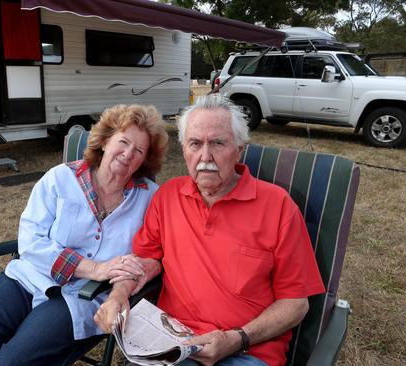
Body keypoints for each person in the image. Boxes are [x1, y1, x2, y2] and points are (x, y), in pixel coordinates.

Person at [95, 95, 325, 366]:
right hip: (175, 343)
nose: (205, 157)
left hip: (247, 351)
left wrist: (237, 338)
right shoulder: (167, 196)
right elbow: (146, 261)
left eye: (217, 143)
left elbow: (296, 304)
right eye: (195, 144)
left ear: (239, 149)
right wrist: (119, 295)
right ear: (184, 151)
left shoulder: (278, 207)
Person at [0, 104, 169, 365]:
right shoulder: (60, 179)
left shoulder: (150, 197)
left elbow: (151, 254)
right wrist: (94, 267)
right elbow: (30, 240)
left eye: (139, 150)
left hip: (83, 297)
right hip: (26, 279)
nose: (128, 153)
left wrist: (117, 284)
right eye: (123, 142)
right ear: (105, 141)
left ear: (145, 160)